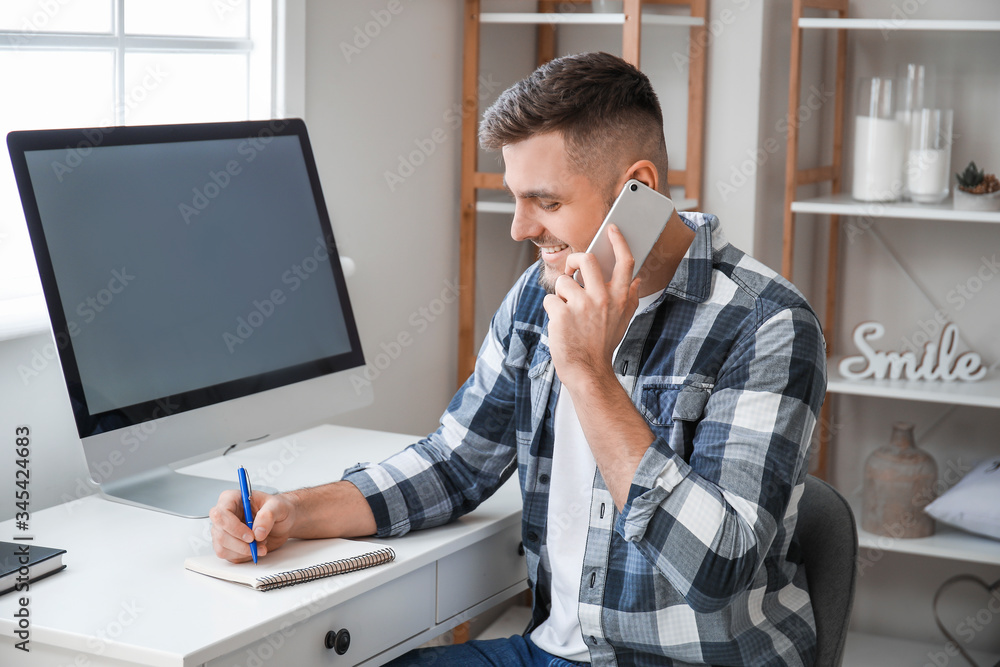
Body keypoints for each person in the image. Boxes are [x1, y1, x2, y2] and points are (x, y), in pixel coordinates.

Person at [210, 52, 827, 666]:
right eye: (516, 199)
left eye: (547, 202)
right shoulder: (540, 293)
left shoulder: (765, 323)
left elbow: (718, 568)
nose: (520, 229)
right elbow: (456, 463)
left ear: (638, 186)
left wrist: (588, 372)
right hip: (551, 654)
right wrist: (295, 510)